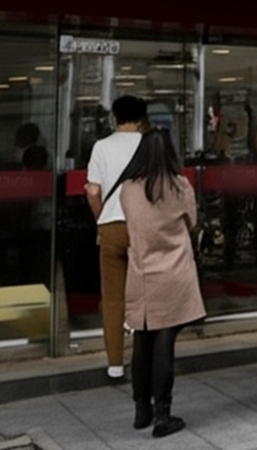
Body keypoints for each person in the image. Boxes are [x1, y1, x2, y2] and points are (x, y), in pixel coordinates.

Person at [118, 129, 205, 437]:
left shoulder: (128, 189)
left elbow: (129, 223)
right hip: (174, 272)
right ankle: (162, 415)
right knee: (165, 342)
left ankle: (141, 409)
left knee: (142, 339)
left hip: (141, 273)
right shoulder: (180, 185)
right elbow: (192, 222)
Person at [85, 95, 148, 380]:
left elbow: (93, 191)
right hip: (143, 227)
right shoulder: (151, 146)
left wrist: (102, 220)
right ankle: (144, 358)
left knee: (112, 299)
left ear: (114, 117)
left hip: (111, 227)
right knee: (146, 294)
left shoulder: (101, 147)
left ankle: (115, 365)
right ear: (142, 117)